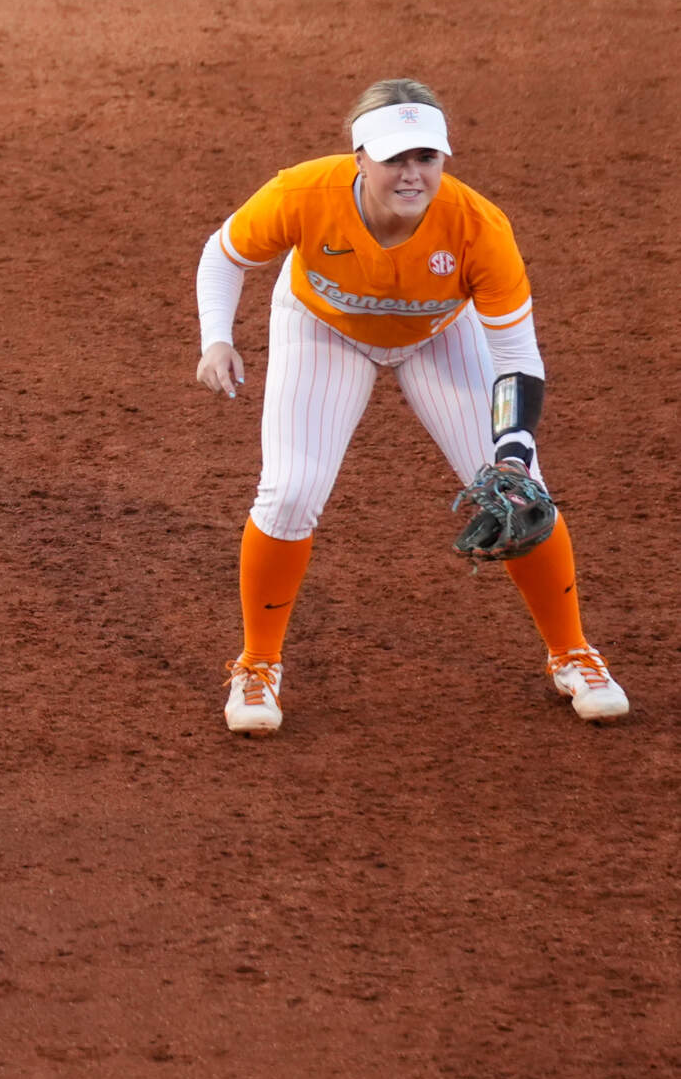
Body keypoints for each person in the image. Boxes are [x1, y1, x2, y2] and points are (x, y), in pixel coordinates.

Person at [194, 79, 627, 734]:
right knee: (289, 492)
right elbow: (223, 255)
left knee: (521, 495)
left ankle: (574, 655)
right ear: (359, 157)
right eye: (394, 157)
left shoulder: (478, 226)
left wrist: (513, 456)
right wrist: (217, 339)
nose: (411, 173)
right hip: (323, 329)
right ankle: (257, 666)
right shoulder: (302, 193)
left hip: (439, 335)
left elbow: (517, 359)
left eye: (426, 157)